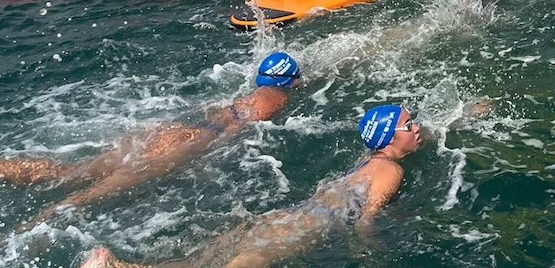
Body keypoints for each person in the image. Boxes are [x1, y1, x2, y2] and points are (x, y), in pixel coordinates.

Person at [78, 104, 422, 268]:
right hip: (301, 229)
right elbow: (366, 218)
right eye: (410, 125)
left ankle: (119, 267)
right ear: (390, 137)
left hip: (286, 219)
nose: (417, 128)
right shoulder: (390, 171)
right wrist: (372, 253)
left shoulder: (370, 161)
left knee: (199, 261)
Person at [0, 52, 301, 226]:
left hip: (170, 133)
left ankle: (7, 167)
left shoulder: (248, 95)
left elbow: (216, 114)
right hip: (190, 142)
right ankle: (30, 228)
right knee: (92, 194)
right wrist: (206, 161)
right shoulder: (275, 99)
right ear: (289, 79)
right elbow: (234, 132)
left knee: (76, 171)